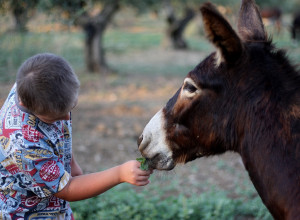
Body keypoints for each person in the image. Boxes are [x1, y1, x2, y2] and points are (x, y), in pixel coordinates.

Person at [0, 53, 152, 219]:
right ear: (25, 104)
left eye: (71, 108)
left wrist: (70, 162)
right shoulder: (25, 145)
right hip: (28, 213)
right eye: (56, 118)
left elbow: (58, 133)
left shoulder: (33, 87)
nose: (66, 118)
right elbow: (67, 189)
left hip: (53, 207)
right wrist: (120, 173)